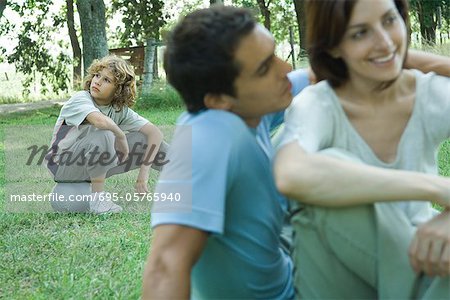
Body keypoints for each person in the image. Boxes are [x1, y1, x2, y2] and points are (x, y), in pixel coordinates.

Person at [275, 0, 450, 298]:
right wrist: (436, 188)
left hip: (421, 249)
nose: (383, 42)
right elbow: (291, 174)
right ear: (333, 47)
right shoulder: (318, 104)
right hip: (335, 267)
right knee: (328, 166)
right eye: (359, 33)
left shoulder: (430, 94)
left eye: (389, 20)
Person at [45, 55, 165, 214]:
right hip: (62, 166)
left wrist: (144, 174)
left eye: (107, 80)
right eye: (97, 75)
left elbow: (155, 133)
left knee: (144, 139)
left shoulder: (119, 110)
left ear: (119, 90)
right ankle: (97, 200)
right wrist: (120, 136)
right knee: (105, 133)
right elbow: (100, 122)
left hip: (89, 164)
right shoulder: (80, 99)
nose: (98, 81)